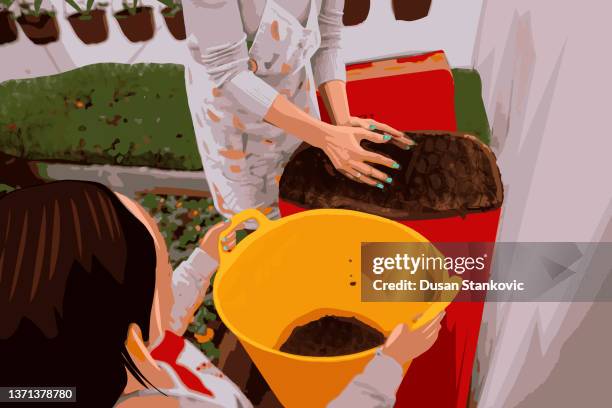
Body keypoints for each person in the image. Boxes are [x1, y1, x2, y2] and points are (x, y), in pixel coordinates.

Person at [0, 181, 442, 407]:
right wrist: (386, 367)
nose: (172, 282)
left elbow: (149, 325)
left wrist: (205, 260)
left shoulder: (96, 368)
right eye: (164, 270)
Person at [182, 0, 415, 227]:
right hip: (235, 117)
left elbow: (329, 39)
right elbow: (230, 71)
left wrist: (342, 126)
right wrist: (325, 136)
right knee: (254, 226)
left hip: (294, 94)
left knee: (304, 211)